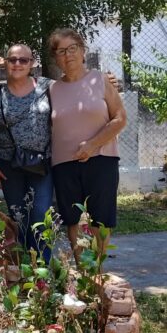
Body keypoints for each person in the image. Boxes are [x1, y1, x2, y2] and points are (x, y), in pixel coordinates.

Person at [48, 28, 127, 259]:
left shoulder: (101, 80)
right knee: (71, 220)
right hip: (64, 164)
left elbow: (120, 118)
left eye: (72, 48)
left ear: (83, 51)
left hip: (102, 159)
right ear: (56, 58)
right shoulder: (51, 89)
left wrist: (93, 145)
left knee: (100, 220)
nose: (68, 55)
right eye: (61, 51)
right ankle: (83, 274)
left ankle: (98, 274)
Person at [0, 44, 54, 261]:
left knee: (41, 215)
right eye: (12, 59)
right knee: (18, 216)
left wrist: (107, 82)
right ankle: (23, 266)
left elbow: (73, 90)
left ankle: (42, 268)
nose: (17, 64)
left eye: (23, 60)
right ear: (5, 62)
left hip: (42, 163)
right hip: (7, 165)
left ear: (32, 63)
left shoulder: (47, 87)